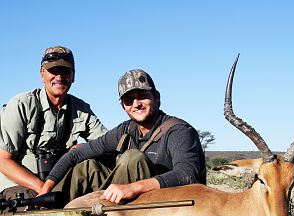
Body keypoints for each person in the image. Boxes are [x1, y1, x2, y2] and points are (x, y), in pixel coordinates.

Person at [39, 69, 206, 205]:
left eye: (142, 96)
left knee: (133, 158)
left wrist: (134, 188)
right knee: (87, 166)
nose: (136, 104)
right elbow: (75, 155)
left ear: (157, 97)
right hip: (133, 203)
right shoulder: (125, 130)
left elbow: (187, 174)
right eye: (128, 100)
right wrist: (44, 191)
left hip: (171, 206)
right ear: (123, 106)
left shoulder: (179, 131)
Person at [0, 45, 107, 202]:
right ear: (42, 74)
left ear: (73, 76)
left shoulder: (81, 108)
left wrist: (83, 149)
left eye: (65, 71)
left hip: (57, 182)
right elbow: (3, 160)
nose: (59, 77)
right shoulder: (21, 104)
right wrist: (42, 188)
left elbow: (106, 142)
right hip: (21, 184)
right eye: (53, 71)